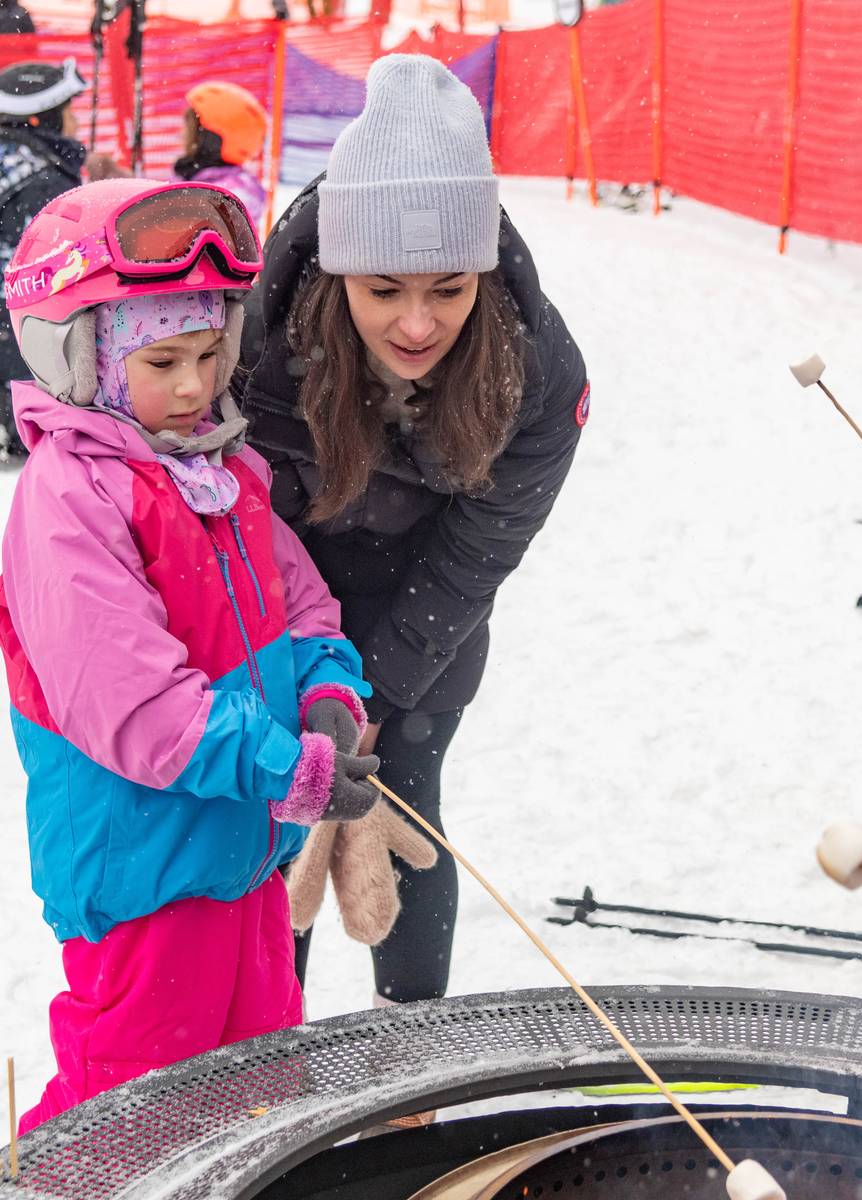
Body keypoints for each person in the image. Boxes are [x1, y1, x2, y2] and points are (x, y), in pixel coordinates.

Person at [0, 178, 390, 1132]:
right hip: (145, 879)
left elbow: (301, 604)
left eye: (211, 353)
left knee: (261, 1090)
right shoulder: (69, 505)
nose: (193, 386)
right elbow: (139, 708)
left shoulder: (219, 471)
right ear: (82, 361)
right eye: (162, 360)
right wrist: (280, 769)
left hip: (245, 858)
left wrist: (331, 693)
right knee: (132, 1111)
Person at [239, 55, 588, 1014]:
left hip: (423, 616)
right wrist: (311, 674)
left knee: (403, 810)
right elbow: (232, 505)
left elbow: (480, 550)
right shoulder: (259, 343)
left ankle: (414, 1040)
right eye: (383, 287)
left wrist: (380, 690)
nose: (419, 322)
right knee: (283, 829)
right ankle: (277, 1056)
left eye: (449, 287)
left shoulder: (539, 373)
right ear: (342, 267)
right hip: (282, 612)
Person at [0, 58, 88, 457]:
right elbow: (43, 272)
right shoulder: (44, 179)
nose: (75, 124)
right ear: (42, 119)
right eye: (69, 113)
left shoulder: (14, 155)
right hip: (13, 320)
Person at [173, 81, 268, 224]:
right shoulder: (189, 176)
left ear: (211, 139)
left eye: (189, 128)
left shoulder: (231, 198)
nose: (181, 135)